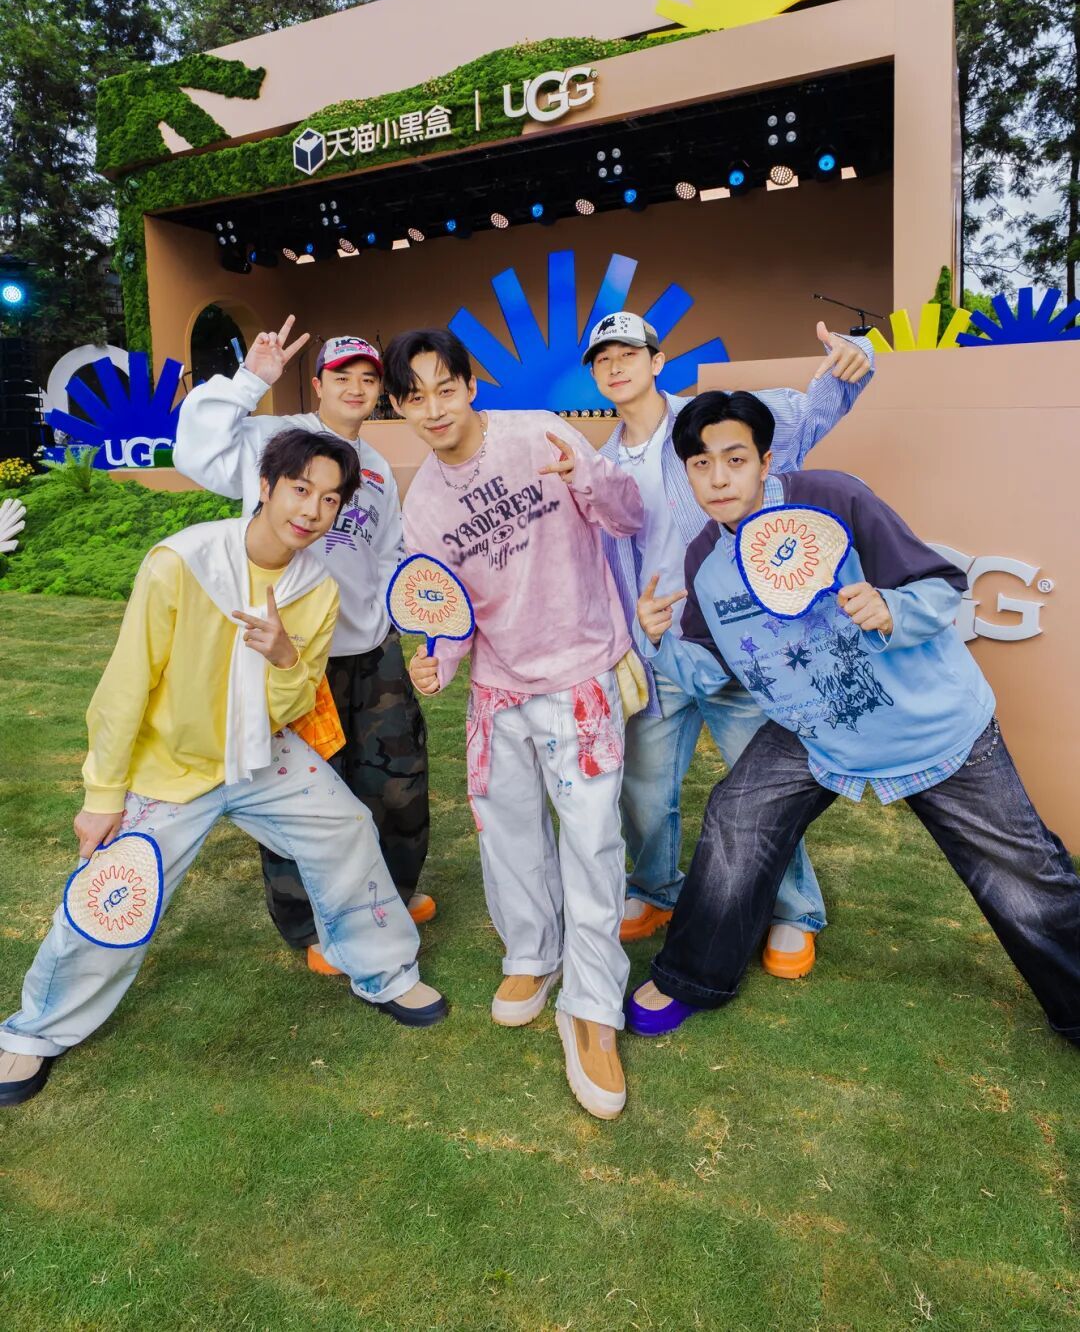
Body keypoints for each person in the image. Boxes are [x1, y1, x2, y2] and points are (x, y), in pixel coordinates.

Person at [0, 428, 447, 1109]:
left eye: (330, 499)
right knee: (117, 888)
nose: (312, 510)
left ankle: (384, 972)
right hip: (172, 767)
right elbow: (126, 685)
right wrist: (103, 793)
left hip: (261, 753)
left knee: (347, 828)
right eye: (300, 489)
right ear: (265, 487)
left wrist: (285, 659)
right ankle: (35, 1030)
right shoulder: (182, 562)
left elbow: (294, 702)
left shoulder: (316, 586)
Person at [625, 390, 1080, 1049]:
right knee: (737, 816)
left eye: (735, 458)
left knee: (1022, 875)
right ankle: (692, 976)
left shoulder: (832, 497)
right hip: (815, 730)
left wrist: (893, 609)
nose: (718, 478)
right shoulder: (704, 561)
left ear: (765, 461)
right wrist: (659, 639)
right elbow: (709, 671)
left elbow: (940, 587)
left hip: (932, 726)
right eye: (701, 464)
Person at [383, 328, 646, 1120]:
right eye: (415, 397)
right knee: (508, 835)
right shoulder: (423, 505)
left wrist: (588, 476)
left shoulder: (542, 434)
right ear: (399, 407)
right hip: (498, 692)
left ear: (471, 384)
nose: (435, 409)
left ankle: (592, 1007)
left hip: (582, 675)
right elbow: (451, 612)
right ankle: (533, 951)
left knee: (592, 843)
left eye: (446, 388)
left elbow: (627, 515)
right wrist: (439, 661)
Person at [586, 311, 874, 975]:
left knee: (763, 788)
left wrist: (853, 362)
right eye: (603, 359)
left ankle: (793, 910)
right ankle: (654, 887)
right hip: (660, 648)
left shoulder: (709, 423)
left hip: (742, 643)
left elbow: (808, 414)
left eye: (628, 353)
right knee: (644, 788)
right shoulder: (601, 464)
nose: (616, 366)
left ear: (657, 361)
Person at [175, 319, 434, 978]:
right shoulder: (275, 439)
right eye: (341, 376)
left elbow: (389, 551)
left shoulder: (377, 468)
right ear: (317, 384)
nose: (355, 388)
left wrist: (396, 620)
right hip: (291, 652)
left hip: (370, 652)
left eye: (368, 378)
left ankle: (388, 896)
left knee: (395, 781)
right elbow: (195, 453)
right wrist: (249, 380)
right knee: (304, 792)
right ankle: (313, 921)